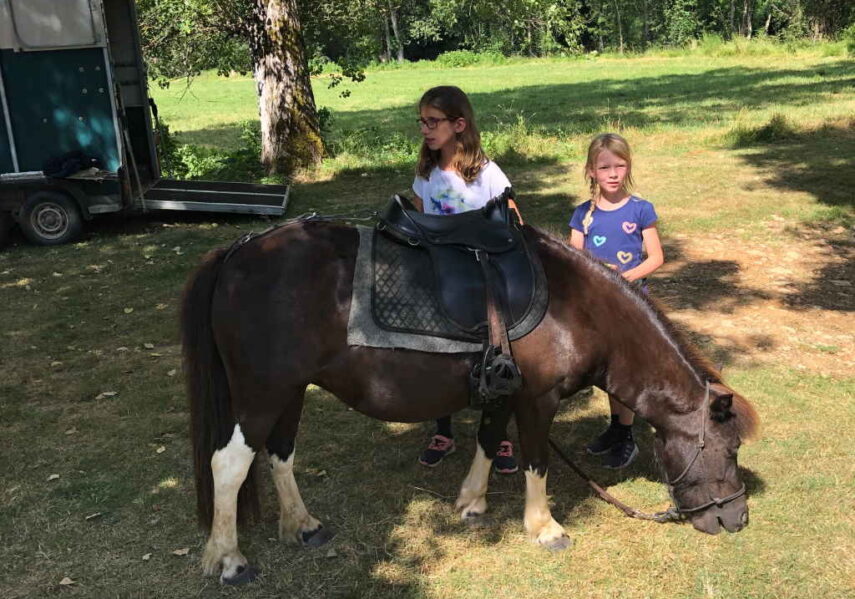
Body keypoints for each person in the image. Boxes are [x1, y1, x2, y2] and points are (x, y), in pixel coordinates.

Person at [411, 85, 519, 474]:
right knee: (438, 353)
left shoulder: (486, 173)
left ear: (459, 124)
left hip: (483, 279)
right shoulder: (426, 174)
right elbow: (421, 222)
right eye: (422, 122)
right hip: (440, 276)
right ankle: (443, 428)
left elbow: (512, 223)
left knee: (494, 353)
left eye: (433, 121)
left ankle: (499, 435)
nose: (425, 129)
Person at [567, 133, 665, 469]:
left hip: (630, 307)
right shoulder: (583, 214)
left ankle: (626, 435)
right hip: (596, 309)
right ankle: (615, 428)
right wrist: (597, 274)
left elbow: (655, 258)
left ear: (628, 167)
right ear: (591, 170)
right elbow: (573, 260)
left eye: (619, 166)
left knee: (625, 373)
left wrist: (623, 280)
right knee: (605, 372)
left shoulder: (640, 209)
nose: (612, 173)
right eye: (604, 166)